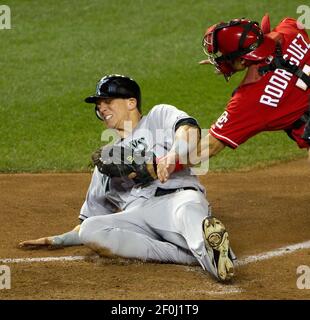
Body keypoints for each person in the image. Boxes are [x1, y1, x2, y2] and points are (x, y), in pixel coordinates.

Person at [19, 74, 236, 282]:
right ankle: (189, 255)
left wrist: (172, 155)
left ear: (131, 102)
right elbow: (89, 218)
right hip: (138, 216)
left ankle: (213, 260)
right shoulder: (107, 161)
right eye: (98, 105)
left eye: (107, 101)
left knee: (188, 213)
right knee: (91, 230)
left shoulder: (157, 117)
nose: (101, 108)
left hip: (177, 200)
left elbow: (189, 130)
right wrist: (57, 240)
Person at [156, 15, 310, 183]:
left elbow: (211, 146)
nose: (220, 58)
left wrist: (170, 164)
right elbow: (278, 52)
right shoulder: (291, 30)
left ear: (242, 60)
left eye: (223, 55)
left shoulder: (250, 100)